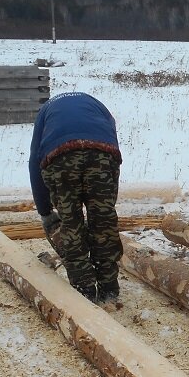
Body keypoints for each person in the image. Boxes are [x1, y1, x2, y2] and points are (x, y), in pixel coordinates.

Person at [29, 92, 123, 304]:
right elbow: (114, 153)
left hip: (59, 157)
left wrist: (45, 211)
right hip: (102, 153)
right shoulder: (99, 107)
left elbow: (35, 161)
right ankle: (109, 287)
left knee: (71, 224)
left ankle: (84, 289)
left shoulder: (45, 112)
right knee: (103, 223)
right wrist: (107, 204)